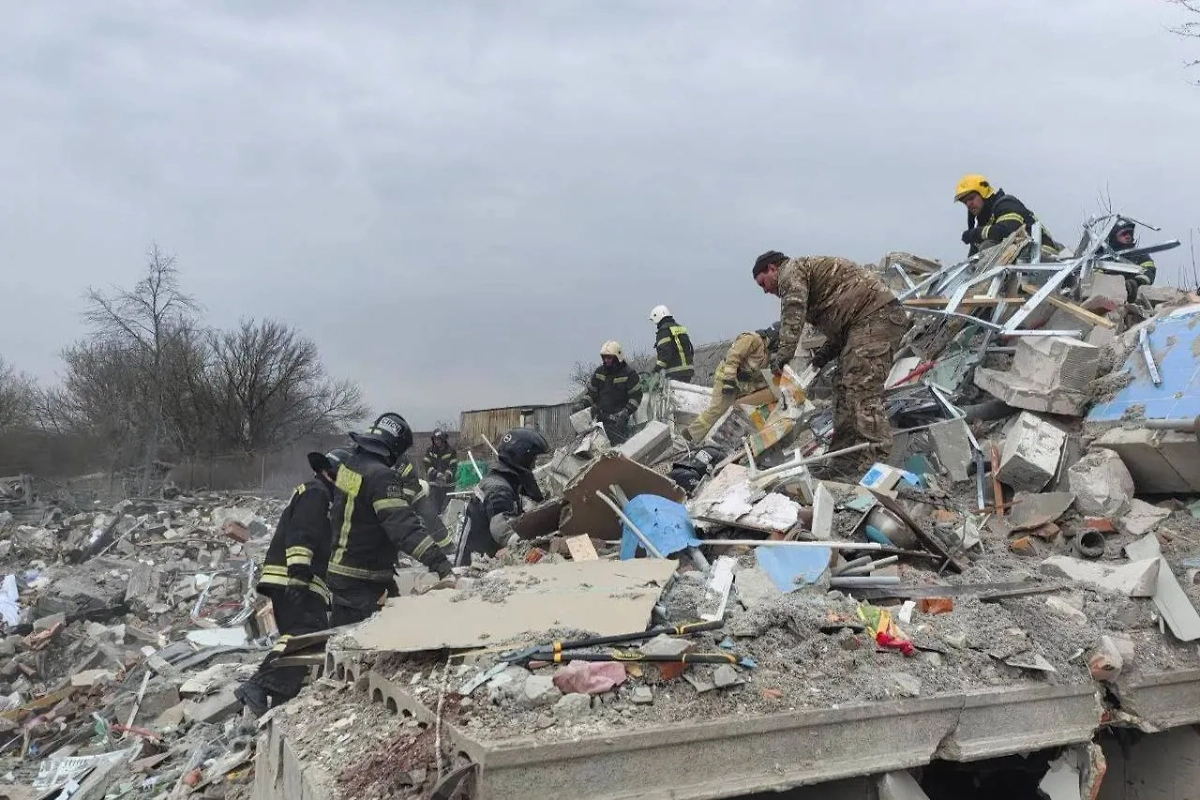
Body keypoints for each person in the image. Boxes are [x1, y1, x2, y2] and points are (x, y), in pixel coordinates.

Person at [752, 251, 909, 471]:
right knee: (842, 388)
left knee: (860, 386)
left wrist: (784, 354)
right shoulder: (810, 280)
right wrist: (823, 356)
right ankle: (845, 460)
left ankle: (877, 464)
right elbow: (842, 325)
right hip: (862, 323)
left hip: (877, 317)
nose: (766, 290)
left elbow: (793, 312)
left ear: (772, 269)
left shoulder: (790, 272)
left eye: (763, 283)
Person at [235, 448, 346, 716]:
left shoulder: (319, 495)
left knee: (304, 637)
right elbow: (302, 533)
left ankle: (281, 700)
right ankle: (259, 685)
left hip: (295, 579)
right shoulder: (316, 493)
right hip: (293, 578)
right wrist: (298, 575)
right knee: (306, 634)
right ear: (332, 473)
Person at [326, 412, 455, 626]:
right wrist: (440, 563)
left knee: (346, 638)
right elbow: (403, 527)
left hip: (344, 574)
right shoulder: (381, 476)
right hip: (363, 580)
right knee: (369, 647)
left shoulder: (350, 468)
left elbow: (361, 515)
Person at [455, 428, 549, 566]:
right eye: (532, 460)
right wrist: (527, 548)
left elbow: (530, 504)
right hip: (474, 566)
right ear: (523, 458)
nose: (534, 465)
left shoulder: (505, 480)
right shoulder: (498, 489)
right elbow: (501, 528)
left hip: (487, 558)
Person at [683, 324, 779, 443]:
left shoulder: (765, 353)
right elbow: (732, 358)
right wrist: (728, 382)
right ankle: (689, 435)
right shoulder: (752, 339)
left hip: (741, 383)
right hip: (727, 377)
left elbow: (756, 375)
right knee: (717, 409)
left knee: (747, 406)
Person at [954, 174, 1060, 256]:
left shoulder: (1005, 204)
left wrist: (974, 233)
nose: (968, 204)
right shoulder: (985, 221)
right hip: (1022, 261)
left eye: (971, 198)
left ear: (983, 193)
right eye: (965, 202)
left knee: (988, 246)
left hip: (1043, 256)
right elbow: (974, 257)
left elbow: (1007, 231)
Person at [573, 341, 643, 443]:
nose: (606, 360)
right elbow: (592, 394)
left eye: (609, 357)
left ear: (617, 357)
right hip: (600, 419)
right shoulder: (599, 373)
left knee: (616, 448)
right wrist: (581, 404)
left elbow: (636, 397)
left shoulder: (629, 374)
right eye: (604, 357)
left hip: (621, 421)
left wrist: (626, 412)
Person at [1106, 217, 1156, 301]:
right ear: (1114, 236)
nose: (1128, 236)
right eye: (1124, 234)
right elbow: (1095, 276)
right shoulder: (1104, 257)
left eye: (1130, 233)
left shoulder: (1140, 255)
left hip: (1133, 299)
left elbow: (1149, 271)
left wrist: (1136, 283)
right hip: (1106, 296)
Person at [648, 305, 695, 383]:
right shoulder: (680, 328)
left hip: (675, 371)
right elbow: (690, 349)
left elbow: (665, 353)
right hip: (688, 370)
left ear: (658, 317)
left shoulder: (664, 331)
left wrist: (656, 370)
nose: (655, 325)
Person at [421, 429, 458, 514]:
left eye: (438, 439)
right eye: (435, 439)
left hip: (449, 486)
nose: (436, 441)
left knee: (448, 509)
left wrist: (446, 475)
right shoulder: (430, 451)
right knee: (434, 509)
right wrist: (437, 474)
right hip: (434, 485)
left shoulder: (451, 451)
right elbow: (427, 466)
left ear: (443, 440)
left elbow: (453, 466)